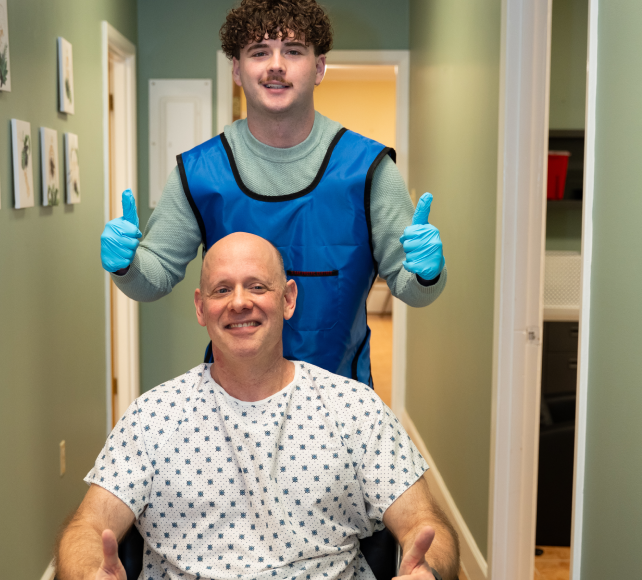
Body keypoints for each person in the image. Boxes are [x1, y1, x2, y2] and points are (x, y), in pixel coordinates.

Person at [58, 233, 459, 580]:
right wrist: (87, 571)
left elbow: (427, 524)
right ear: (201, 308)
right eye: (221, 289)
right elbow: (87, 527)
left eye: (256, 287)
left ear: (288, 299)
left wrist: (427, 570)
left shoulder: (354, 410)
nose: (238, 303)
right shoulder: (153, 416)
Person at [100, 0, 447, 386]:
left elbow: (412, 289)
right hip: (231, 403)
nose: (276, 65)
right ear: (236, 69)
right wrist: (126, 265)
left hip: (338, 404)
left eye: (293, 51)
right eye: (259, 52)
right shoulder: (199, 175)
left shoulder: (368, 170)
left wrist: (425, 274)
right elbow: (154, 278)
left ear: (319, 68)